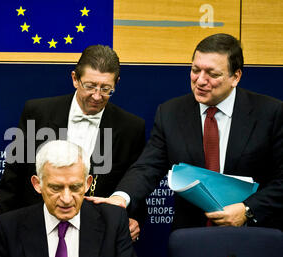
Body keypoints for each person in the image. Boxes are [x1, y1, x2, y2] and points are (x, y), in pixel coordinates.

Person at [88, 33, 283, 230]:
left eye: (212, 74)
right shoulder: (170, 113)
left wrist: (248, 209)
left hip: (254, 237)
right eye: (195, 70)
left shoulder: (270, 113)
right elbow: (148, 167)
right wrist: (121, 198)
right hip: (192, 238)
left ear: (236, 77)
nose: (200, 81)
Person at [0, 45, 146, 240]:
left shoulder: (131, 127)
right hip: (36, 233)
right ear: (75, 79)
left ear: (116, 83)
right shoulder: (37, 112)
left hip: (98, 238)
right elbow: (12, 179)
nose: (97, 96)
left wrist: (134, 218)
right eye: (90, 86)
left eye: (106, 89)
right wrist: (6, 235)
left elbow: (135, 182)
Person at [0, 140, 146, 257]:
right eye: (56, 188)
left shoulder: (113, 220)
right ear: (37, 184)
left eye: (75, 187)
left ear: (87, 183)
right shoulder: (9, 226)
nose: (66, 198)